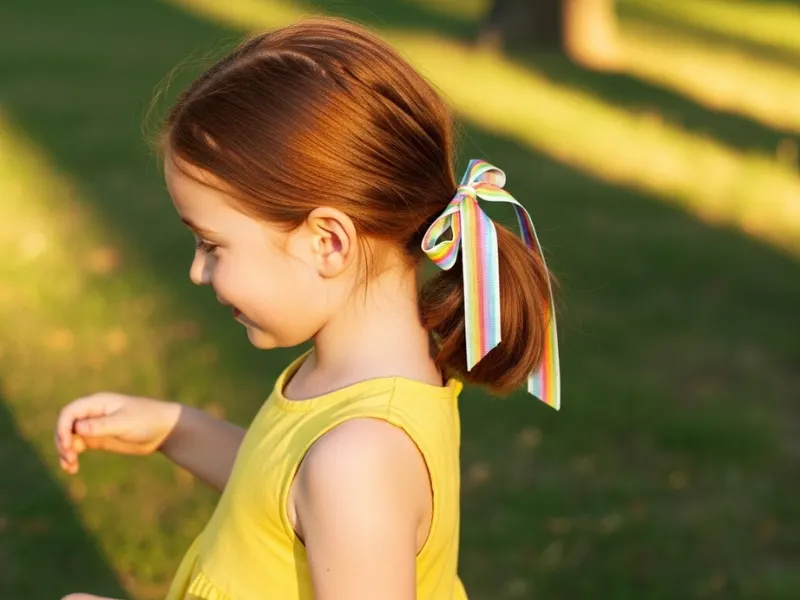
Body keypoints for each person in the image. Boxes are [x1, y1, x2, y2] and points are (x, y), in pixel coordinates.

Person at [55, 16, 560, 600]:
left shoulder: (358, 461)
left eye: (213, 245)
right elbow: (279, 485)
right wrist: (176, 430)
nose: (198, 270)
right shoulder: (353, 382)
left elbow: (320, 484)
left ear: (328, 243)